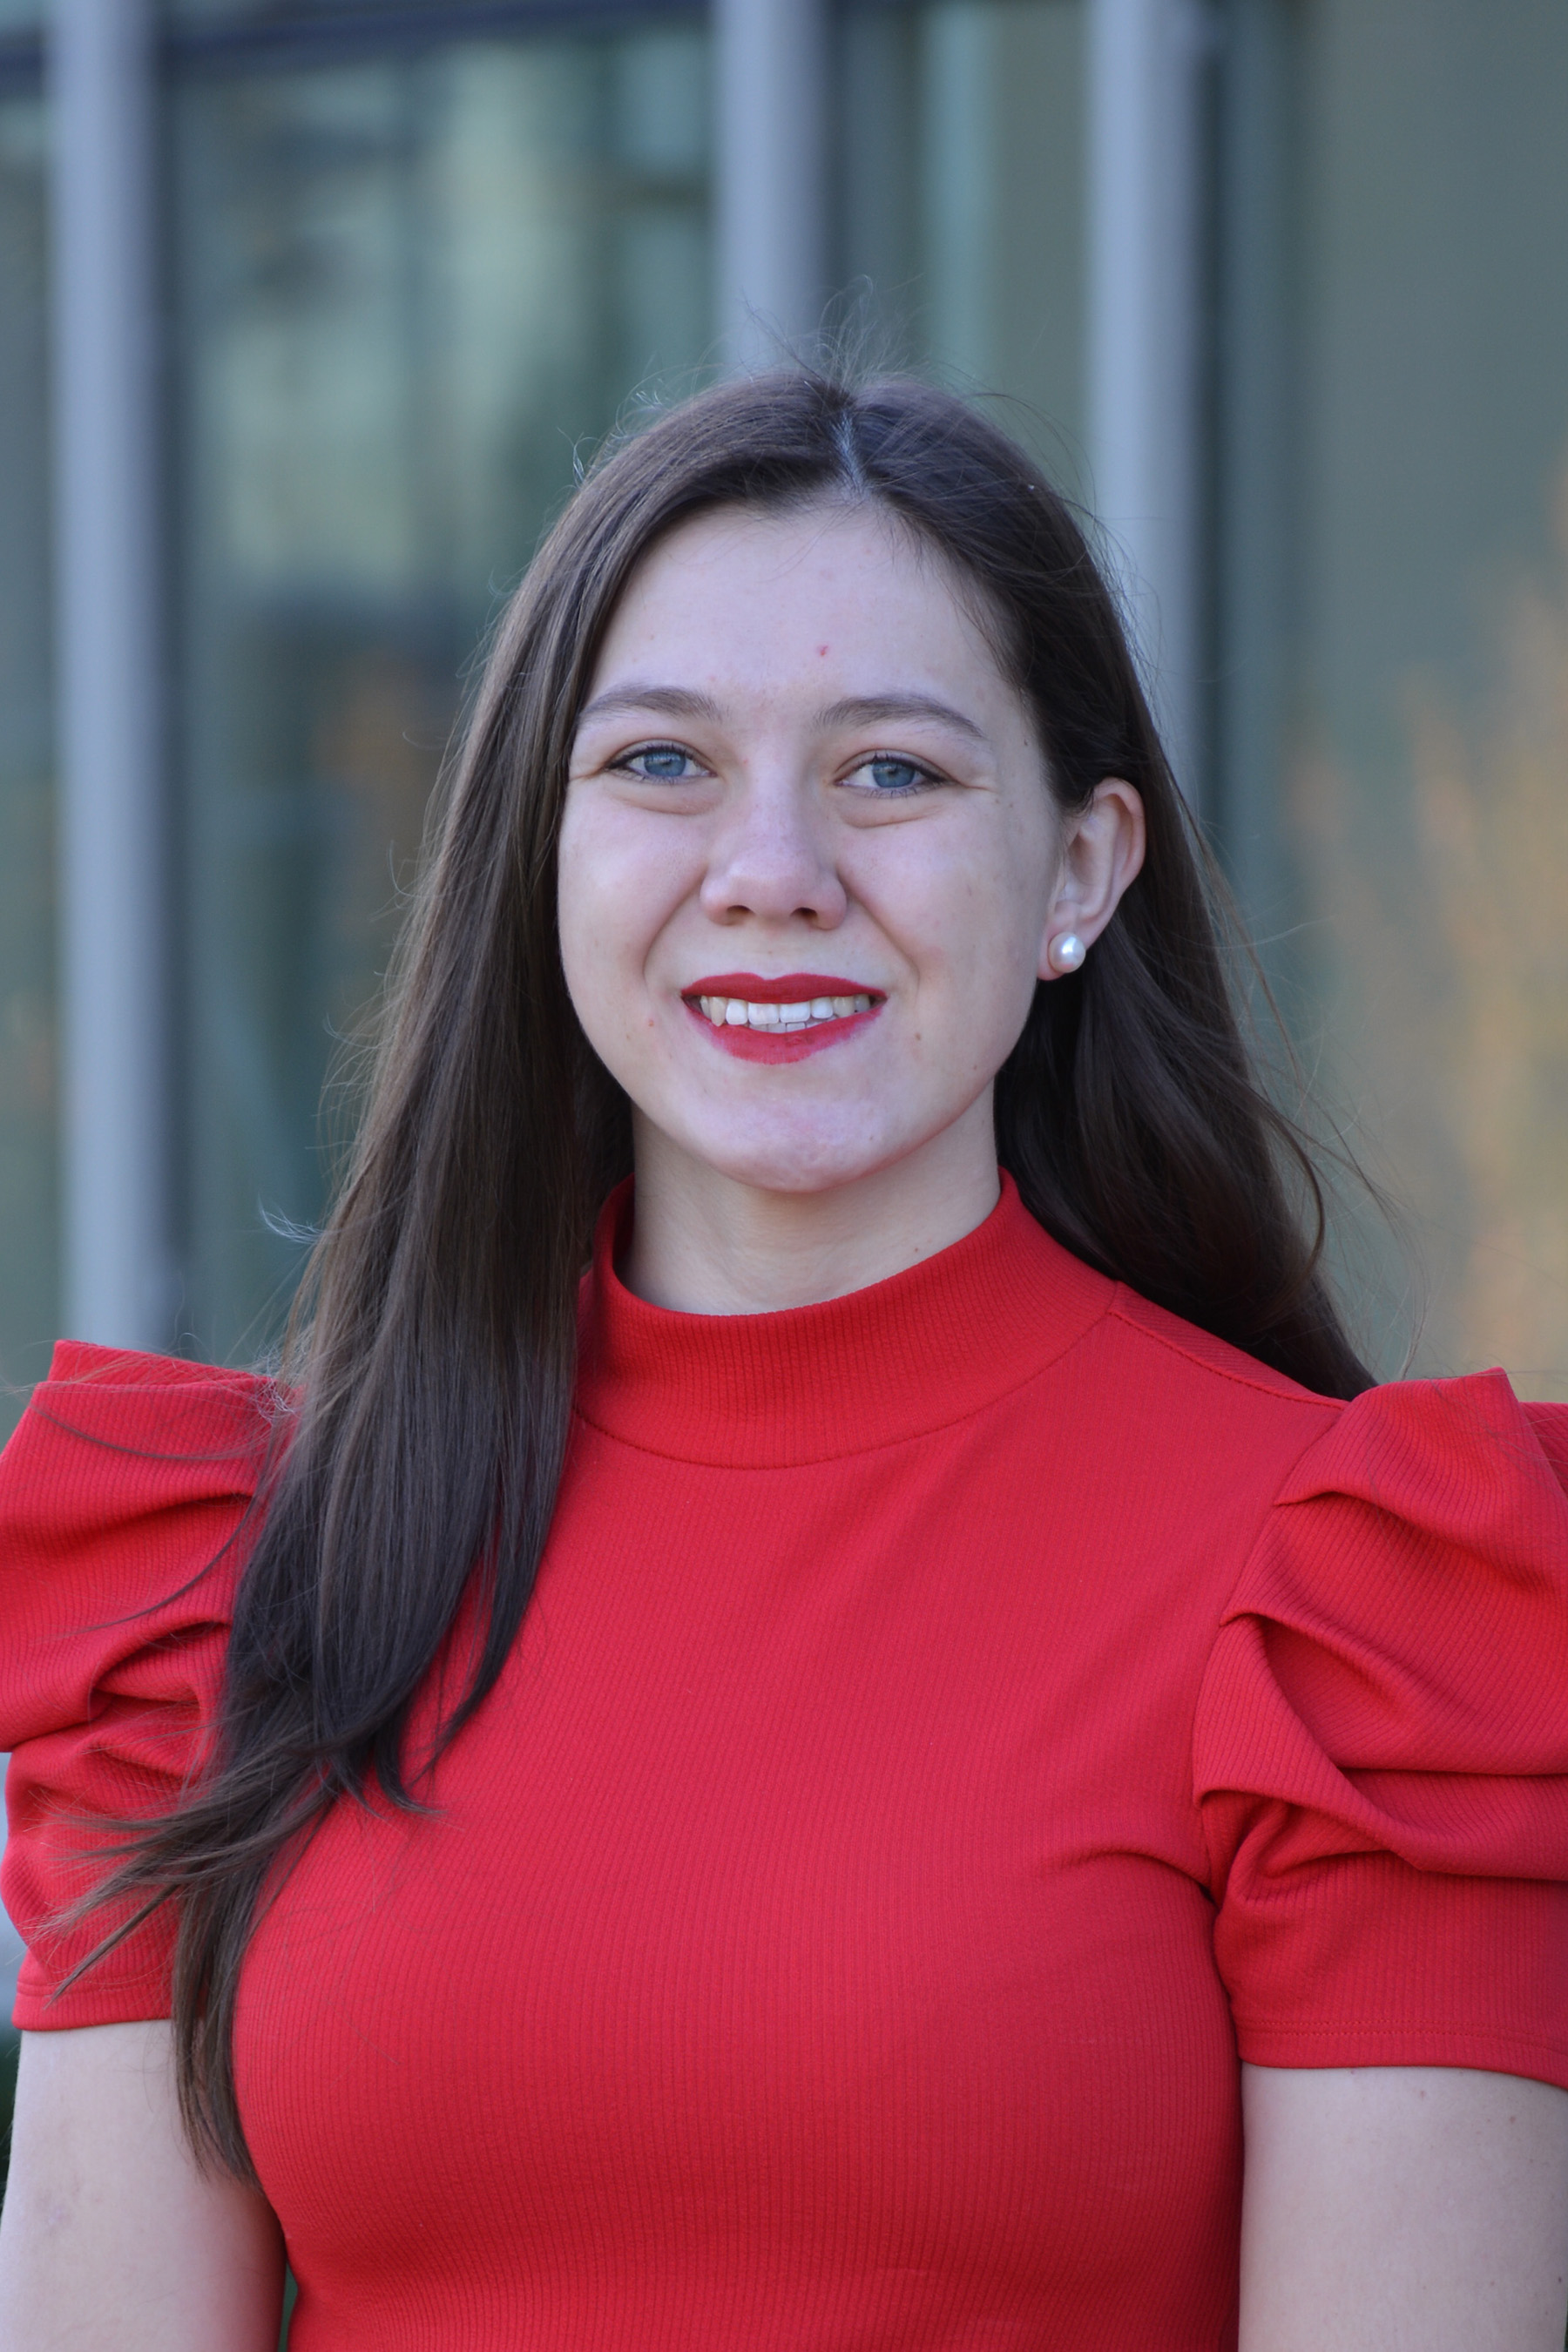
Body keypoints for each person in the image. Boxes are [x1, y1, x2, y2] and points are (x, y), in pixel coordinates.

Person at [1, 370, 1566, 2352]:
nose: (772, 867)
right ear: (538, 852)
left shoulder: (1362, 1622)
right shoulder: (218, 1575)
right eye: (662, 766)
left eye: (892, 774)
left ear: (1084, 870)